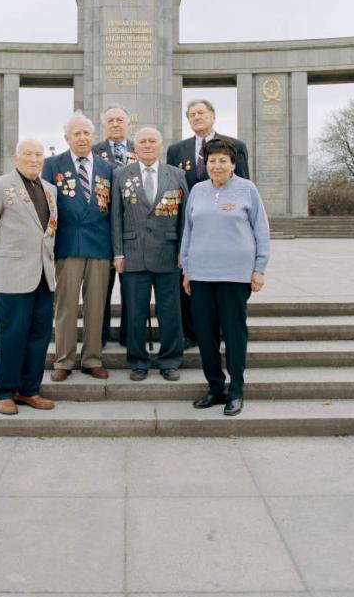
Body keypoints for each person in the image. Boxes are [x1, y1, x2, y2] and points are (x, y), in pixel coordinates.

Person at [180, 138, 269, 416]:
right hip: (201, 275)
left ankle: (236, 390)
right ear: (205, 164)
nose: (216, 166)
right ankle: (215, 388)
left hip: (235, 275)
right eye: (212, 161)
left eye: (223, 161)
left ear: (232, 165)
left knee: (233, 334)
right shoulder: (197, 190)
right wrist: (186, 269)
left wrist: (259, 268)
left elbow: (261, 231)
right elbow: (188, 232)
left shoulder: (247, 189)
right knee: (205, 337)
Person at [0, 139, 58, 416]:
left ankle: (30, 389)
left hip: (44, 277)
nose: (34, 159)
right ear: (16, 158)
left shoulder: (49, 190)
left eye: (39, 154)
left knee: (39, 336)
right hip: (12, 277)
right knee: (11, 335)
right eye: (28, 154)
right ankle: (5, 392)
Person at [166, 99, 251, 348]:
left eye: (201, 113)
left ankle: (227, 330)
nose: (196, 117)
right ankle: (192, 332)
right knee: (191, 281)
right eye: (191, 114)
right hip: (192, 223)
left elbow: (244, 186)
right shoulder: (176, 150)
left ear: (213, 116)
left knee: (226, 282)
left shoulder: (235, 146)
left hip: (227, 226)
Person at [42, 112, 114, 381]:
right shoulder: (52, 165)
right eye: (76, 134)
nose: (82, 138)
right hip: (68, 245)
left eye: (86, 133)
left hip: (99, 246)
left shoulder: (108, 168)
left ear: (93, 136)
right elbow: (46, 206)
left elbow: (113, 212)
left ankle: (92, 358)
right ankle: (64, 360)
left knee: (96, 307)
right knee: (66, 306)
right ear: (66, 138)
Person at [112, 127, 187, 381]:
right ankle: (138, 361)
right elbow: (116, 218)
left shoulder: (176, 174)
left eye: (151, 141)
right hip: (133, 254)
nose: (146, 145)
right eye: (142, 141)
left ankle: (170, 361)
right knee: (135, 312)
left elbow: (184, 218)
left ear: (160, 144)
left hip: (168, 253)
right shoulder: (121, 175)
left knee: (170, 311)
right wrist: (118, 253)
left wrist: (183, 252)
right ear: (135, 146)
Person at [92, 103, 135, 346]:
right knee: (101, 290)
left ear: (128, 124)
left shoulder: (139, 149)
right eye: (111, 121)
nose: (116, 124)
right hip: (102, 231)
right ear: (104, 125)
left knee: (130, 290)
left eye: (120, 120)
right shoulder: (93, 151)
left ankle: (129, 335)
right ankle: (100, 335)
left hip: (131, 232)